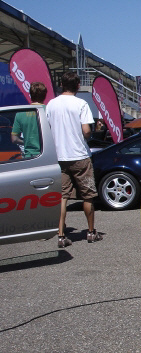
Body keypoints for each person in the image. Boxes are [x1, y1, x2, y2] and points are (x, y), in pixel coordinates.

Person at [46, 71, 102, 248]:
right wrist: (88, 135)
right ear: (77, 86)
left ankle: (61, 235)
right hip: (79, 155)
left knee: (62, 196)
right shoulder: (81, 104)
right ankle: (91, 232)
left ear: (62, 85)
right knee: (88, 195)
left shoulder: (51, 104)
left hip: (59, 156)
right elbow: (86, 130)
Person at [10, 81, 47, 159]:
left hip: (29, 157)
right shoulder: (49, 111)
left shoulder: (20, 113)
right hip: (47, 155)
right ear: (45, 95)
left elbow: (14, 139)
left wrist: (27, 142)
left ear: (30, 95)